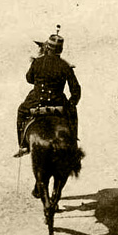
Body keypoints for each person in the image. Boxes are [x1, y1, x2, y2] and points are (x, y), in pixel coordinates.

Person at [14, 26, 81, 157]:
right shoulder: (65, 66)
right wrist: (72, 103)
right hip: (59, 102)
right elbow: (75, 89)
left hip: (36, 101)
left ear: (47, 48)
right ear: (60, 50)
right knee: (73, 114)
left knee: (21, 111)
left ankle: (23, 146)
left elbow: (29, 79)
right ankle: (73, 145)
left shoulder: (37, 62)